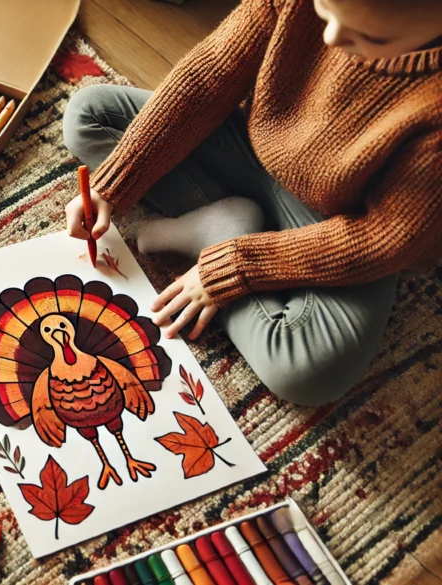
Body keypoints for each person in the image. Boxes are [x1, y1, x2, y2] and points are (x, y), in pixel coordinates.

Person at [63, 0, 442, 406]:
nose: (331, 38)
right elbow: (211, 74)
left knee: (309, 371)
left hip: (343, 223)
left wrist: (239, 264)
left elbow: (383, 239)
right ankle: (225, 220)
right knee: (90, 114)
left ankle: (223, 230)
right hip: (251, 151)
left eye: (372, 37)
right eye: (325, 10)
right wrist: (116, 182)